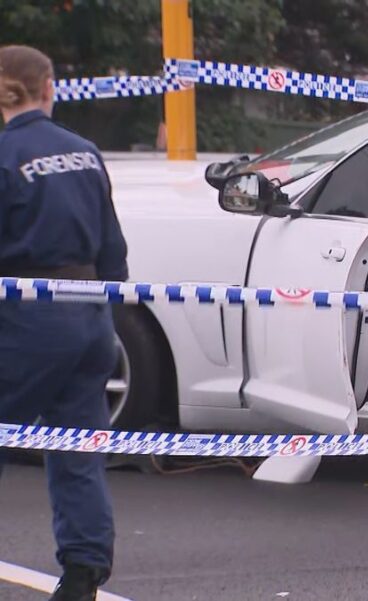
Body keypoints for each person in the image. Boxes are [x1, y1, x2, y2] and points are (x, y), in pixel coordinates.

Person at [0, 45, 128, 601]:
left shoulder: (5, 155)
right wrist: (106, 318)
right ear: (49, 88)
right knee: (77, 449)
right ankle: (82, 575)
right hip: (90, 313)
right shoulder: (84, 153)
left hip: (27, 318)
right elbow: (114, 251)